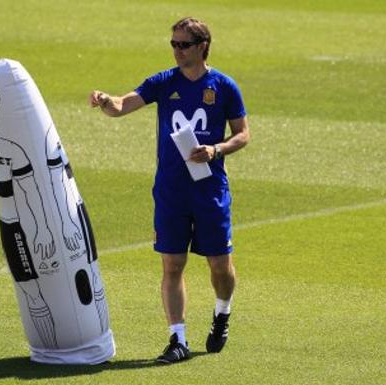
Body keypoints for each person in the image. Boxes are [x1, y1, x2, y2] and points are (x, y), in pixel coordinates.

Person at [88, 17, 250, 364]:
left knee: (219, 266)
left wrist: (216, 149)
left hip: (209, 190)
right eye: (173, 44)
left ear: (203, 46)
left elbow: (243, 134)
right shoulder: (164, 82)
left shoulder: (223, 86)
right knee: (172, 264)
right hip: (171, 190)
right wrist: (105, 101)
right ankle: (177, 340)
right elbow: (123, 104)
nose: (177, 51)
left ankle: (222, 312)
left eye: (183, 45)